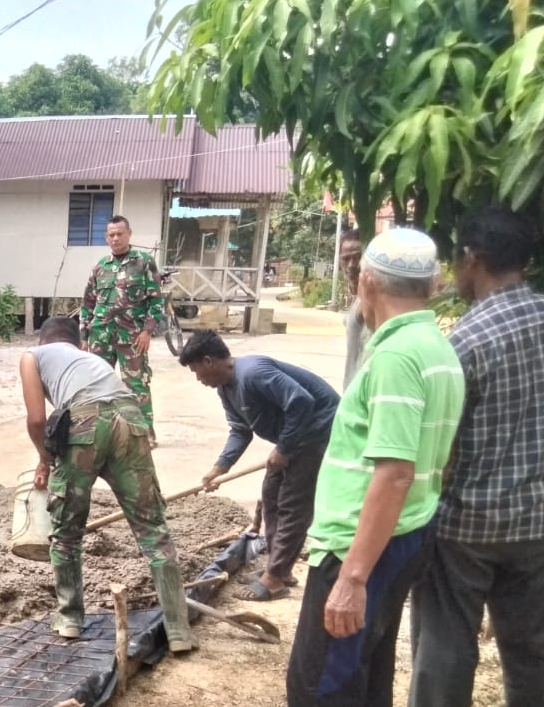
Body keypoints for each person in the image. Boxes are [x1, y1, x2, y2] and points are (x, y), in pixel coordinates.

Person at [250, 227, 465, 707]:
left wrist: (352, 576)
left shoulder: (398, 358)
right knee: (362, 671)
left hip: (360, 547)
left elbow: (393, 471)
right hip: (403, 537)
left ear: (367, 282)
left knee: (320, 681)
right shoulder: (434, 346)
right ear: (429, 286)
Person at [396, 207, 544, 707]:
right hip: (542, 518)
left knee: (445, 641)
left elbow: (445, 441)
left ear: (473, 261)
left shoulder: (467, 341)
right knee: (537, 645)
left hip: (468, 522)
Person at [19, 315, 195, 652]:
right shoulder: (92, 359)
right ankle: (178, 630)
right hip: (130, 419)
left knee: (67, 532)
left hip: (85, 424)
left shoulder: (33, 356)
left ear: (43, 341)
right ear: (79, 344)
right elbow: (109, 402)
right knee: (153, 532)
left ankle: (70, 619)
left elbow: (38, 419)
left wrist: (45, 459)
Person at [181, 331, 340, 602]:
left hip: (318, 431)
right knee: (271, 496)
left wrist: (284, 448)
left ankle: (275, 580)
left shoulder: (253, 372)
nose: (199, 380)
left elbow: (302, 401)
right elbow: (240, 429)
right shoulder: (226, 388)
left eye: (198, 372)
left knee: (292, 504)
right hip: (295, 437)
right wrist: (220, 468)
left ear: (209, 361)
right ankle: (281, 568)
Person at [78, 216, 166, 440]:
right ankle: (99, 432)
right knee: (97, 384)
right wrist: (84, 335)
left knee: (136, 386)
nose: (115, 238)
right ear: (106, 237)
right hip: (100, 336)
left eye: (119, 233)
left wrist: (147, 331)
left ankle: (144, 434)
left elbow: (156, 301)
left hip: (132, 337)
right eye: (111, 234)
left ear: (129, 234)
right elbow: (88, 302)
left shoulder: (144, 262)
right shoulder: (100, 267)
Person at [338, 229, 367, 386]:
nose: (351, 265)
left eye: (357, 257)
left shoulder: (372, 300)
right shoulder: (359, 297)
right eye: (346, 259)